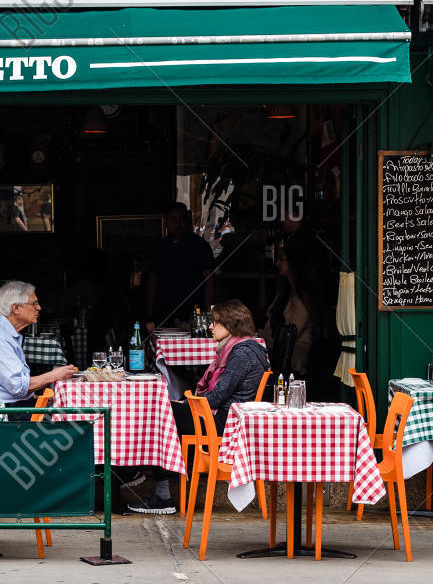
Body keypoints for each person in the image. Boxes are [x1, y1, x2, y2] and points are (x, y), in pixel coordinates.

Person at [131, 299, 269, 515]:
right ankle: (164, 485)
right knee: (168, 407)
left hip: (224, 423)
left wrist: (187, 403)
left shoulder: (242, 353)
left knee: (160, 413)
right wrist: (185, 403)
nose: (210, 327)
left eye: (216, 322)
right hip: (224, 417)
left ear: (231, 325)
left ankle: (161, 495)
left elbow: (217, 397)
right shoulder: (244, 348)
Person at [0, 280, 77, 407]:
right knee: (67, 413)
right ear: (16, 308)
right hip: (2, 410)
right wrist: (54, 375)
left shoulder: (3, 331)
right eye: (34, 303)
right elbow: (18, 386)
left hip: (7, 404)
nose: (39, 308)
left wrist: (32, 396)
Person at [146, 201, 214, 329]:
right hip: (165, 312)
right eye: (174, 220)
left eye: (182, 219)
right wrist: (149, 313)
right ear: (166, 222)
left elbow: (209, 280)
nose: (179, 224)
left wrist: (208, 313)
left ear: (187, 221)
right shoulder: (159, 247)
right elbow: (152, 280)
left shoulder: (199, 246)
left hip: (193, 311)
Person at [264, 246, 320, 377]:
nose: (277, 263)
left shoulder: (304, 298)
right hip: (277, 356)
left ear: (294, 263)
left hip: (293, 363)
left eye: (282, 259)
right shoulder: (284, 292)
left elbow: (291, 333)